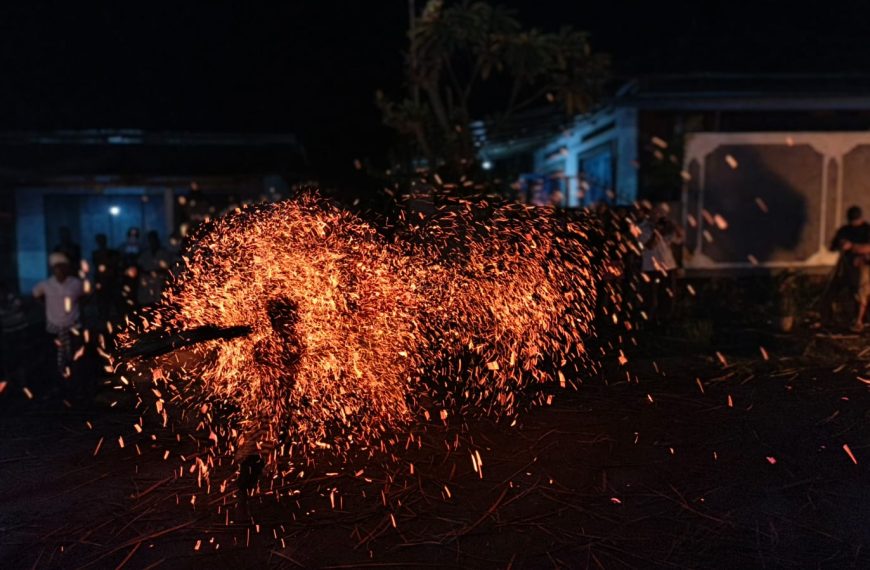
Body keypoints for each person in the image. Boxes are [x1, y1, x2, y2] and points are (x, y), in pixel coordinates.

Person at [33, 253, 86, 378]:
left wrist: (79, 307)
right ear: (53, 269)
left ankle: (75, 378)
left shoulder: (76, 283)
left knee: (75, 354)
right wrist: (46, 305)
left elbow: (85, 295)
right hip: (54, 326)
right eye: (57, 268)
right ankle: (58, 378)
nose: (60, 270)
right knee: (54, 355)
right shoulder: (46, 284)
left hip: (73, 325)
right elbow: (36, 295)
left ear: (67, 268)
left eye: (63, 267)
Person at [638, 203, 683, 324]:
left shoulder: (666, 227)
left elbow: (679, 239)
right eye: (656, 212)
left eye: (662, 213)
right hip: (650, 268)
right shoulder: (642, 227)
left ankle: (665, 324)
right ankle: (649, 324)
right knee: (651, 300)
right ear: (650, 213)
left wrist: (675, 226)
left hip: (668, 266)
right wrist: (657, 229)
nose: (659, 215)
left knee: (668, 298)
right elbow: (650, 245)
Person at [829, 205, 870, 332]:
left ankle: (859, 321)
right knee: (836, 290)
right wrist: (841, 244)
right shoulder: (845, 230)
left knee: (861, 290)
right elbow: (833, 246)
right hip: (847, 266)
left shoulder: (867, 230)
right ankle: (834, 318)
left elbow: (868, 248)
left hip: (863, 265)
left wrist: (852, 247)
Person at [137, 231, 174, 306]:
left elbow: (169, 267)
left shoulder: (164, 253)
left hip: (160, 282)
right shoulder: (145, 254)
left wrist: (158, 272)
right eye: (150, 240)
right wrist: (147, 274)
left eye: (153, 239)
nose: (152, 242)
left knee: (160, 303)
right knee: (147, 303)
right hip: (147, 284)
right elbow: (139, 267)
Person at [92, 233, 121, 324]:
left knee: (115, 304)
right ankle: (104, 323)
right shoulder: (96, 254)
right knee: (103, 305)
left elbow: (115, 266)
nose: (101, 242)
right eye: (100, 241)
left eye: (102, 240)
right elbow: (97, 269)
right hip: (102, 283)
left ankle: (116, 322)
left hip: (111, 282)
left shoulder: (112, 253)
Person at [120, 227, 141, 309]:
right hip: (126, 274)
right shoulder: (124, 246)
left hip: (137, 273)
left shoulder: (140, 246)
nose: (133, 237)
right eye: (131, 235)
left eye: (135, 235)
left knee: (136, 292)